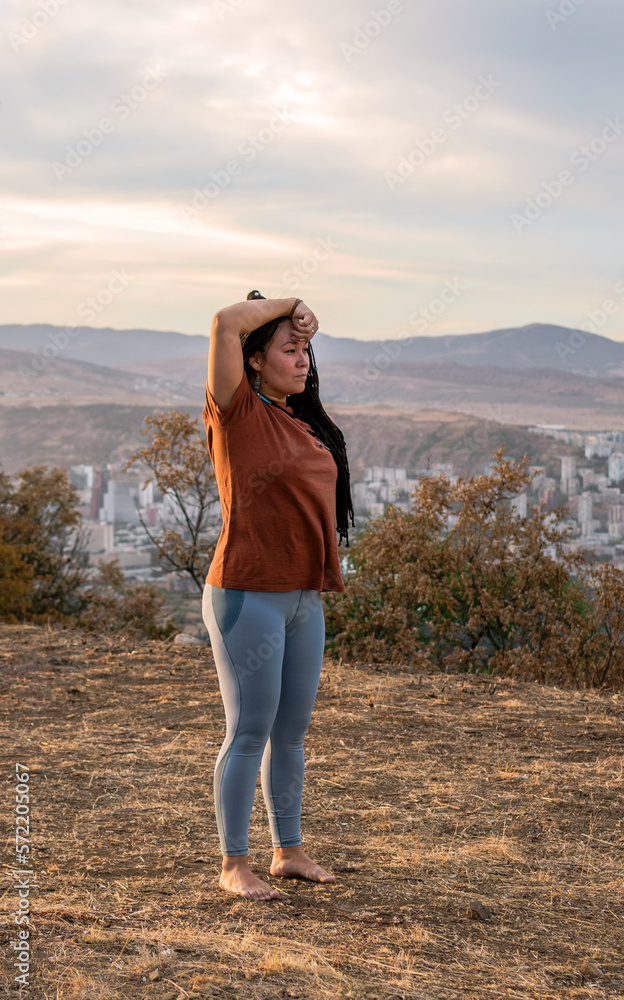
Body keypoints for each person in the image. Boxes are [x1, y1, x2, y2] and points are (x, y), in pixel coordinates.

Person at [201, 290, 354, 901]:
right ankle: (233, 862)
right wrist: (292, 303)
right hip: (247, 594)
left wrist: (295, 325)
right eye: (290, 350)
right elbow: (223, 322)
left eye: (308, 350)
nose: (303, 360)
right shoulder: (235, 411)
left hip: (301, 599)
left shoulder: (299, 419)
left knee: (291, 732)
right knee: (248, 730)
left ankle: (287, 850)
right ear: (254, 362)